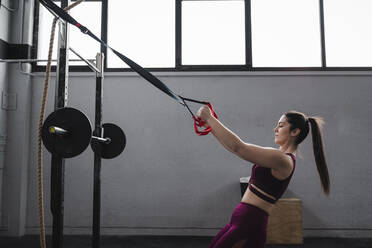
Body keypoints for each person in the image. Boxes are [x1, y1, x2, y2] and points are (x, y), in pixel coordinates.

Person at [196, 108, 330, 248]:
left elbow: (239, 148)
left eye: (281, 125)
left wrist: (210, 118)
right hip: (241, 220)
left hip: (249, 223)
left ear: (295, 132)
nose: (275, 129)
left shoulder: (283, 160)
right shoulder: (276, 156)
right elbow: (235, 150)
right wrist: (211, 126)